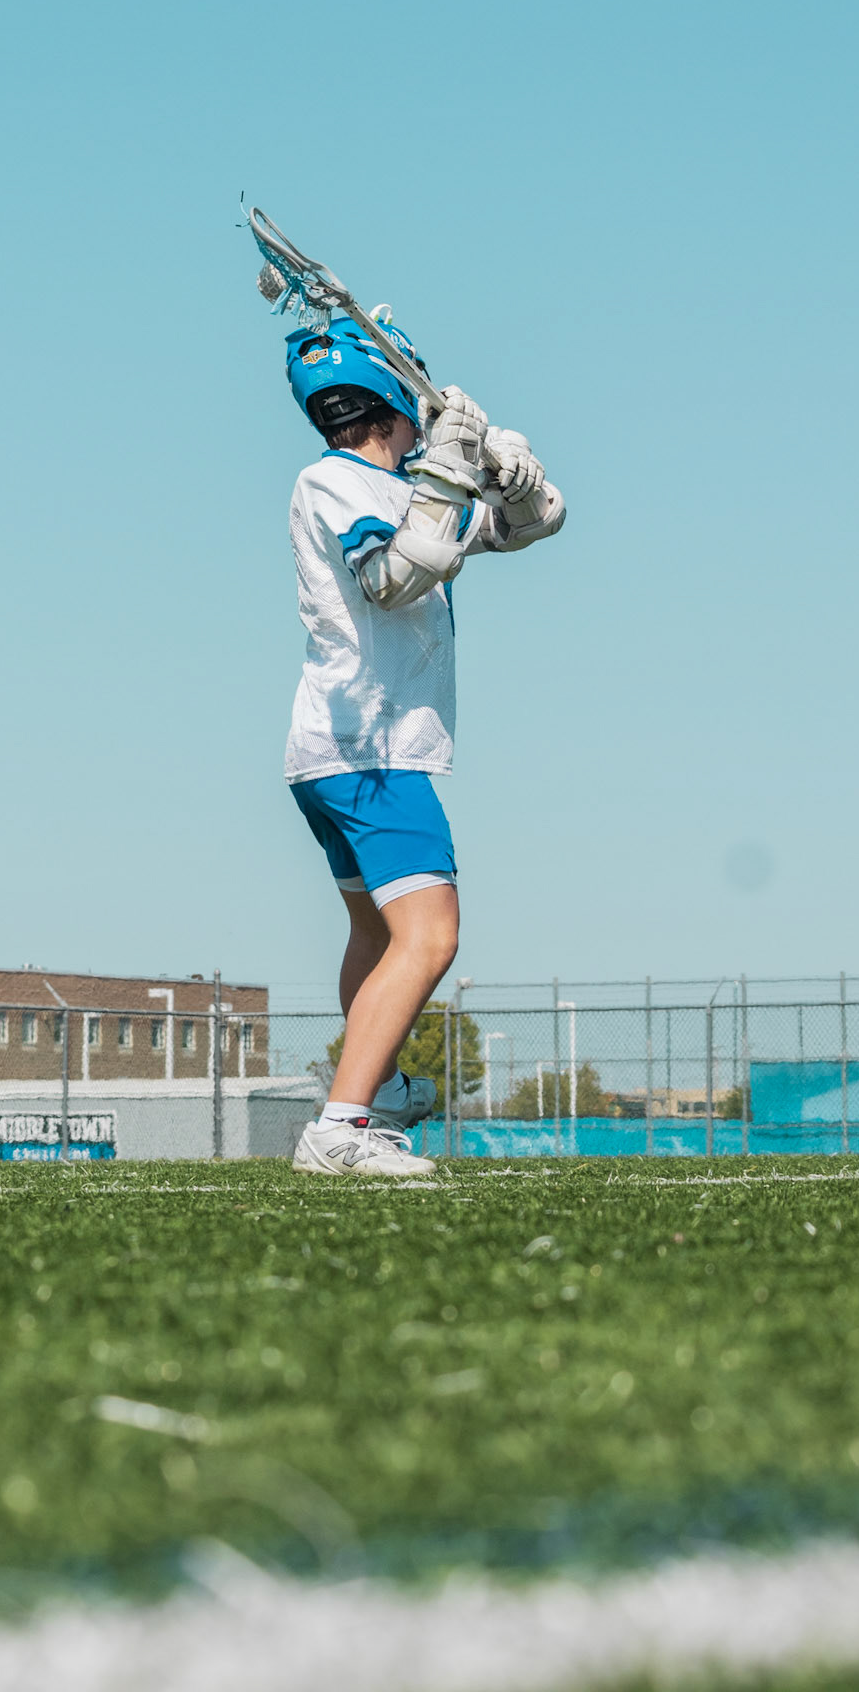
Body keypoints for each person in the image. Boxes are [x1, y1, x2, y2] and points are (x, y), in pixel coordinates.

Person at [284, 306, 565, 1178]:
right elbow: (393, 577)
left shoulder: (406, 486)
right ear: (394, 399)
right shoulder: (334, 482)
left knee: (375, 936)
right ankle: (340, 1126)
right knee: (431, 936)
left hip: (342, 752)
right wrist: (447, 471)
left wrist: (507, 477)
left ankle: (380, 1087)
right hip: (368, 752)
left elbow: (532, 525)